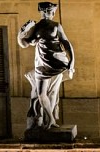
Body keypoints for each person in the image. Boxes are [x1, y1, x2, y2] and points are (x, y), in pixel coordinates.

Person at [17, 1, 75, 131]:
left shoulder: (56, 26)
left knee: (53, 92)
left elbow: (66, 43)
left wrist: (72, 61)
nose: (50, 13)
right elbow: (24, 44)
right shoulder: (35, 27)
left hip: (57, 63)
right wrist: (20, 35)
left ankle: (50, 120)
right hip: (42, 64)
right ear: (42, 12)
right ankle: (50, 118)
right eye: (48, 11)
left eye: (51, 11)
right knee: (41, 94)